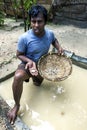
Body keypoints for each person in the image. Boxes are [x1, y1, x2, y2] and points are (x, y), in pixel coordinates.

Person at [7, 4, 63, 124]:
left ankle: (34, 80)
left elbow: (54, 40)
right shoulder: (25, 38)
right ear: (30, 21)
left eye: (40, 21)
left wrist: (59, 47)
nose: (36, 25)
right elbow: (19, 54)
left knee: (37, 85)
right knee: (17, 77)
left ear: (45, 22)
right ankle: (17, 105)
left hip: (42, 67)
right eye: (33, 21)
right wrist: (30, 61)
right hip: (27, 65)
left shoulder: (50, 34)